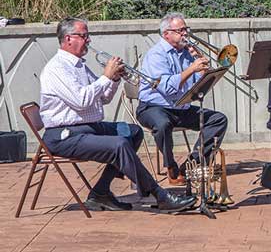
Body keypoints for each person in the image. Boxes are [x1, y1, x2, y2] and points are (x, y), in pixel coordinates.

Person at [39, 17, 196, 212]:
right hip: (64, 135)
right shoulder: (57, 68)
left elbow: (103, 98)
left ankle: (100, 193)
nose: (88, 40)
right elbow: (81, 101)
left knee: (132, 132)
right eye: (84, 36)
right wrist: (105, 76)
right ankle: (159, 194)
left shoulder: (79, 65)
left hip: (88, 128)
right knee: (119, 144)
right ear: (68, 38)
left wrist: (114, 79)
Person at [137, 12, 228, 185]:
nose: (185, 33)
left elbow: (194, 91)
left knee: (218, 120)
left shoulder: (187, 54)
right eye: (180, 30)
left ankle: (191, 165)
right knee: (162, 124)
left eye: (186, 29)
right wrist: (191, 69)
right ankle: (171, 167)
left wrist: (202, 72)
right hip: (153, 107)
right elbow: (166, 88)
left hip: (180, 107)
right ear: (166, 34)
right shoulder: (156, 55)